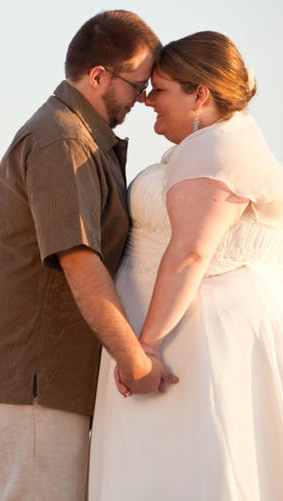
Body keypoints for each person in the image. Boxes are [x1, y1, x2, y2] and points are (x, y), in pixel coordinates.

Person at [0, 10, 176, 501]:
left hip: (48, 374)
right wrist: (134, 361)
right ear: (98, 76)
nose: (142, 99)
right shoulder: (63, 141)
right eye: (137, 85)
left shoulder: (81, 136)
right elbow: (80, 262)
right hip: (33, 373)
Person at [89, 31, 283, 500]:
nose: (148, 99)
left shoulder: (217, 150)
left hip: (193, 344)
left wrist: (146, 348)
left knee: (186, 471)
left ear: (200, 95)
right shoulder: (211, 142)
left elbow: (190, 253)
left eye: (160, 89)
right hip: (175, 335)